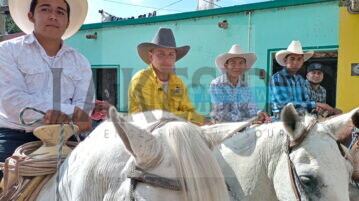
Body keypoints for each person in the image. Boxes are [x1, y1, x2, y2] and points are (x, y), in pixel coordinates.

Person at [0, 0, 94, 177]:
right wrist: (67, 111)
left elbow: (85, 109)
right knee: (5, 186)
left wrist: (75, 115)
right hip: (17, 137)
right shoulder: (7, 51)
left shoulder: (80, 62)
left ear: (67, 22)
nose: (53, 16)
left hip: (66, 138)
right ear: (31, 16)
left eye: (60, 12)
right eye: (45, 9)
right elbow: (13, 102)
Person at [128, 27, 211, 125]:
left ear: (175, 57)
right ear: (151, 56)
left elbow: (189, 110)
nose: (167, 60)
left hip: (172, 132)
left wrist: (197, 119)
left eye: (171, 54)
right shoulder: (141, 79)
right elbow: (156, 117)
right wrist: (199, 119)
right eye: (161, 54)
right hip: (143, 134)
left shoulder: (177, 82)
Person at [210, 44, 269, 123]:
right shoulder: (217, 84)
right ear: (226, 65)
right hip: (222, 128)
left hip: (243, 126)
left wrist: (259, 114)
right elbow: (221, 115)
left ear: (245, 66)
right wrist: (249, 121)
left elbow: (251, 108)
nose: (237, 67)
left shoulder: (245, 86)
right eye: (233, 63)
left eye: (241, 63)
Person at [271, 40, 332, 117]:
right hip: (284, 117)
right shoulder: (278, 77)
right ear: (285, 60)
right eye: (292, 59)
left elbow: (307, 100)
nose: (295, 62)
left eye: (299, 59)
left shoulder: (300, 79)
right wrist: (316, 104)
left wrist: (315, 108)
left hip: (302, 116)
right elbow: (285, 104)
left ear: (302, 61)